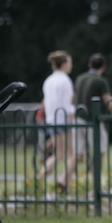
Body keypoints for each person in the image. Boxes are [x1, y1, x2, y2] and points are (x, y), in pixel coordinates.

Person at [75, 53, 112, 171]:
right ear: (103, 67)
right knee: (100, 150)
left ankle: (70, 178)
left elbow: (73, 98)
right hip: (92, 120)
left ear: (90, 64)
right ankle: (93, 178)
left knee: (78, 154)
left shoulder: (80, 78)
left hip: (78, 119)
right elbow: (107, 100)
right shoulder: (101, 81)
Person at [39, 50, 76, 192]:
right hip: (63, 120)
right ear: (65, 64)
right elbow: (67, 105)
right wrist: (72, 121)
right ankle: (63, 181)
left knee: (58, 154)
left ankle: (40, 177)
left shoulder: (48, 80)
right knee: (71, 155)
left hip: (51, 120)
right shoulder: (65, 80)